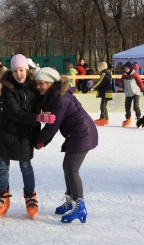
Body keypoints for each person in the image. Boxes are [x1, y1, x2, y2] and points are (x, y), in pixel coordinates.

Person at [0, 54, 56, 219]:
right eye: (15, 71)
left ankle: (30, 196)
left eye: (21, 70)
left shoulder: (35, 87)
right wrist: (37, 118)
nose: (18, 74)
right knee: (2, 168)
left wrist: (39, 138)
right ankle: (3, 198)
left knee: (26, 167)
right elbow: (14, 113)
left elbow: (50, 93)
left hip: (26, 135)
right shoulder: (7, 88)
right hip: (7, 133)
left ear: (27, 70)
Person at [34, 67, 98, 224]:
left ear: (50, 83)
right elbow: (55, 124)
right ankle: (71, 200)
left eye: (41, 84)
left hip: (82, 134)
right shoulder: (54, 95)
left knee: (71, 168)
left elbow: (53, 126)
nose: (38, 87)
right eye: (36, 84)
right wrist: (43, 140)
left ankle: (80, 205)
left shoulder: (60, 98)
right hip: (75, 134)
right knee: (67, 167)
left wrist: (36, 140)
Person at [120, 61, 144, 127]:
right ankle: (128, 118)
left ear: (130, 68)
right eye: (125, 68)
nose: (126, 69)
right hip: (128, 93)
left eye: (127, 68)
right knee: (127, 106)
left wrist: (143, 90)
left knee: (135, 106)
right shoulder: (124, 75)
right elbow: (122, 83)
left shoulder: (134, 74)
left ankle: (139, 118)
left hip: (135, 92)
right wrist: (122, 88)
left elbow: (140, 82)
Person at [92, 62, 113, 126]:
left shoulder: (104, 73)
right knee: (104, 105)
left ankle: (103, 118)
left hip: (105, 92)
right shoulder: (108, 73)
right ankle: (105, 119)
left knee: (103, 106)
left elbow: (101, 82)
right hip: (107, 91)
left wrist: (94, 87)